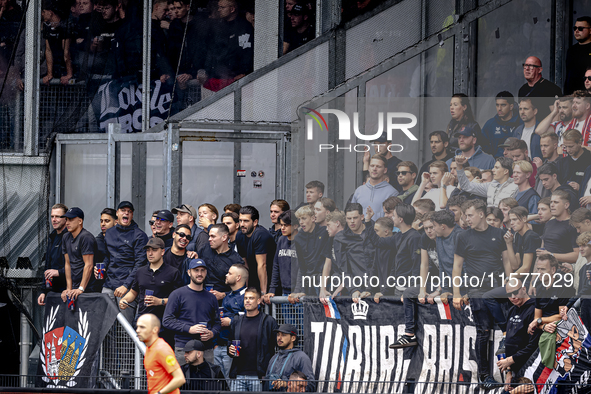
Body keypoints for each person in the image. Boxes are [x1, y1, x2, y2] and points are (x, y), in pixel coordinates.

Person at [452, 198, 511, 389]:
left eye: (469, 215)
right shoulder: (463, 236)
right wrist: (457, 293)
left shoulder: (498, 233)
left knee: (510, 329)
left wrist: (511, 283)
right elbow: (457, 267)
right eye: (465, 215)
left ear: (481, 214)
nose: (467, 219)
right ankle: (484, 375)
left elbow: (506, 262)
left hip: (498, 288)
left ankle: (513, 374)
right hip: (477, 289)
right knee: (483, 332)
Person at [390, 213, 439, 349]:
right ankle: (409, 334)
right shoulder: (424, 238)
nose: (429, 231)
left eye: (431, 227)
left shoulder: (447, 239)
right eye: (426, 228)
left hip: (454, 282)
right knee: (409, 292)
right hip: (435, 280)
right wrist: (422, 290)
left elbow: (452, 267)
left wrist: (439, 290)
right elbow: (423, 264)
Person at [163, 258, 222, 365]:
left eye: (202, 270)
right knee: (183, 381)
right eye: (196, 270)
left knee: (208, 381)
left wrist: (212, 333)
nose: (199, 273)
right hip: (183, 348)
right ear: (189, 272)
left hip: (206, 349)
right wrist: (189, 329)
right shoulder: (177, 294)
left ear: (206, 272)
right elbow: (167, 320)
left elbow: (217, 323)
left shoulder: (211, 298)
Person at [101, 201, 149, 323]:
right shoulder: (110, 232)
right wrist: (102, 267)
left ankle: (130, 343)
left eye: (129, 211)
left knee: (126, 327)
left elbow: (140, 264)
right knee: (106, 325)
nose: (126, 213)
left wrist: (126, 285)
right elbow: (107, 256)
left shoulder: (139, 235)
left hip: (127, 287)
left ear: (132, 215)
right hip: (108, 285)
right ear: (117, 213)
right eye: (123, 210)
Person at [228, 287, 278, 391]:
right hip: (238, 375)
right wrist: (230, 349)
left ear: (259, 301)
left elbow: (275, 346)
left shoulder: (268, 321)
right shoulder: (237, 321)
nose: (247, 301)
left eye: (251, 298)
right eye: (246, 298)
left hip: (259, 376)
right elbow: (230, 342)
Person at [370, 203, 421, 300]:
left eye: (394, 216)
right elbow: (378, 242)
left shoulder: (414, 237)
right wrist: (368, 221)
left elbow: (416, 266)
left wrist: (411, 290)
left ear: (400, 219)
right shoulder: (398, 236)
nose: (392, 218)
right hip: (398, 287)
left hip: (408, 290)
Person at [200, 0, 253, 91]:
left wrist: (245, 72)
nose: (219, 10)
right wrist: (206, 70)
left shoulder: (244, 27)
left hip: (236, 78)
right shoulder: (216, 27)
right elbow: (210, 50)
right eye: (219, 7)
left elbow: (247, 52)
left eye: (222, 7)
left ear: (232, 9)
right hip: (215, 78)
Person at [497, 279, 540, 390]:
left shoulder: (534, 309)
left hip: (530, 368)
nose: (513, 297)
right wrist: (509, 371)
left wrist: (511, 359)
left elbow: (534, 345)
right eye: (509, 294)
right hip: (514, 370)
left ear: (524, 289)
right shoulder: (512, 310)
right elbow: (509, 342)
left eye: (515, 292)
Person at [333, 203, 376, 298]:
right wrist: (353, 289)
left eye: (355, 218)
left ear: (362, 217)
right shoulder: (340, 238)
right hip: (358, 287)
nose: (352, 221)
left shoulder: (374, 229)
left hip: (378, 285)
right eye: (349, 218)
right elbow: (343, 267)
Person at [527, 254, 575, 337]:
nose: (539, 273)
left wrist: (539, 320)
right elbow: (537, 317)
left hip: (561, 329)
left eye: (543, 269)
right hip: (544, 327)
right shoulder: (538, 286)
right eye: (538, 269)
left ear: (553, 270)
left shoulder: (563, 286)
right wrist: (543, 326)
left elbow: (561, 317)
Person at [60, 207, 100, 305]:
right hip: (74, 287)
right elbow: (68, 264)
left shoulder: (86, 237)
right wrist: (69, 288)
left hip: (89, 288)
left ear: (80, 221)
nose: (67, 223)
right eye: (66, 220)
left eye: (71, 219)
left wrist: (81, 288)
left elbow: (89, 265)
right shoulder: (65, 237)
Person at [137, 313, 186, 394]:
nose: (137, 330)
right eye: (138, 326)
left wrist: (159, 393)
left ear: (155, 330)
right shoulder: (150, 348)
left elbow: (180, 378)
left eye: (142, 327)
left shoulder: (162, 349)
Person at [215, 264, 248, 379]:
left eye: (229, 273)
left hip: (235, 349)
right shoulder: (227, 297)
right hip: (219, 346)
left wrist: (231, 321)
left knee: (232, 384)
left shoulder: (248, 297)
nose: (226, 275)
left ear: (238, 277)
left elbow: (251, 319)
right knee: (219, 384)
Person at [236, 206, 277, 294]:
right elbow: (245, 264)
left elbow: (262, 265)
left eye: (246, 221)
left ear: (255, 222)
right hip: (253, 280)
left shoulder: (260, 235)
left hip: (269, 281)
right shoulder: (240, 235)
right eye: (240, 220)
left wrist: (263, 292)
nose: (242, 224)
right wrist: (245, 289)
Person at [292, 205, 331, 296]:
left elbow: (328, 260)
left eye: (304, 218)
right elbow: (302, 267)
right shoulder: (298, 238)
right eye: (299, 219)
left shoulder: (325, 232)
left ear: (313, 218)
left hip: (326, 280)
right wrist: (300, 290)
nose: (301, 222)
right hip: (309, 282)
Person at [264, 324, 315, 392]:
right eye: (278, 334)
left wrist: (287, 384)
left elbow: (310, 385)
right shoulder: (274, 358)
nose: (279, 338)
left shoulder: (301, 357)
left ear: (293, 338)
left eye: (284, 335)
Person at [197, 223, 244, 296]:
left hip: (223, 302)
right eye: (209, 236)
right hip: (201, 296)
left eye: (213, 236)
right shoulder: (204, 249)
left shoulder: (236, 260)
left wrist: (223, 295)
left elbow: (241, 289)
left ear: (224, 237)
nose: (209, 239)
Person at [38, 204, 68, 306]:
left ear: (66, 218)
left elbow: (78, 265)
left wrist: (59, 272)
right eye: (52, 216)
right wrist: (43, 291)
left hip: (67, 292)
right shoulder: (52, 237)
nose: (54, 220)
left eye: (58, 216)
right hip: (52, 292)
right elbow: (47, 266)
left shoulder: (70, 237)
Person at [538, 190, 579, 265]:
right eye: (551, 202)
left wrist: (552, 255)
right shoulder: (549, 223)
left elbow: (578, 255)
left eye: (556, 202)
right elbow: (542, 252)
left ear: (566, 205)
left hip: (562, 272)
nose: (552, 205)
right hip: (544, 271)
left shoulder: (573, 225)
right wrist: (536, 275)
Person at [266, 211, 298, 303]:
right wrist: (272, 290)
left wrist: (298, 290)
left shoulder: (301, 241)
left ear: (295, 226)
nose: (282, 228)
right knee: (286, 317)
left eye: (286, 225)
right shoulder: (281, 240)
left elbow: (303, 269)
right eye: (281, 225)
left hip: (298, 294)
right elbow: (276, 266)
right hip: (285, 291)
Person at [481, 91, 523, 158]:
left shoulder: (520, 123)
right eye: (497, 105)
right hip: (496, 163)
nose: (499, 108)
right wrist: (492, 156)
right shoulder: (490, 124)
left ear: (511, 106)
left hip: (516, 162)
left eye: (503, 105)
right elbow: (482, 143)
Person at [42, 1, 74, 85]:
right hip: (55, 65)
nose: (42, 14)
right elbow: (48, 50)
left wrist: (69, 74)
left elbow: (66, 52)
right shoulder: (46, 26)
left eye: (44, 12)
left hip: (67, 64)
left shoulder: (65, 25)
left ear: (50, 12)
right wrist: (49, 74)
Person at [564, 16, 591, 94]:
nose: (576, 31)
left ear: (590, 30)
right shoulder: (571, 50)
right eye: (575, 28)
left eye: (580, 28)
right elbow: (568, 76)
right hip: (572, 96)